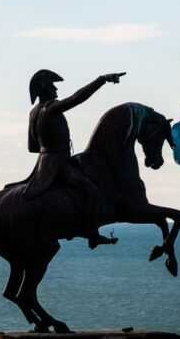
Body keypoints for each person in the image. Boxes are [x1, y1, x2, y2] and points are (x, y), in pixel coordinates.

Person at [24, 69, 125, 248]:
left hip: (43, 163)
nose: (56, 89)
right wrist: (101, 80)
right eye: (52, 85)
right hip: (59, 163)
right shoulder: (51, 108)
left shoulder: (33, 112)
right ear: (45, 88)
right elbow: (77, 98)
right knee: (92, 191)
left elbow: (33, 147)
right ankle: (93, 235)